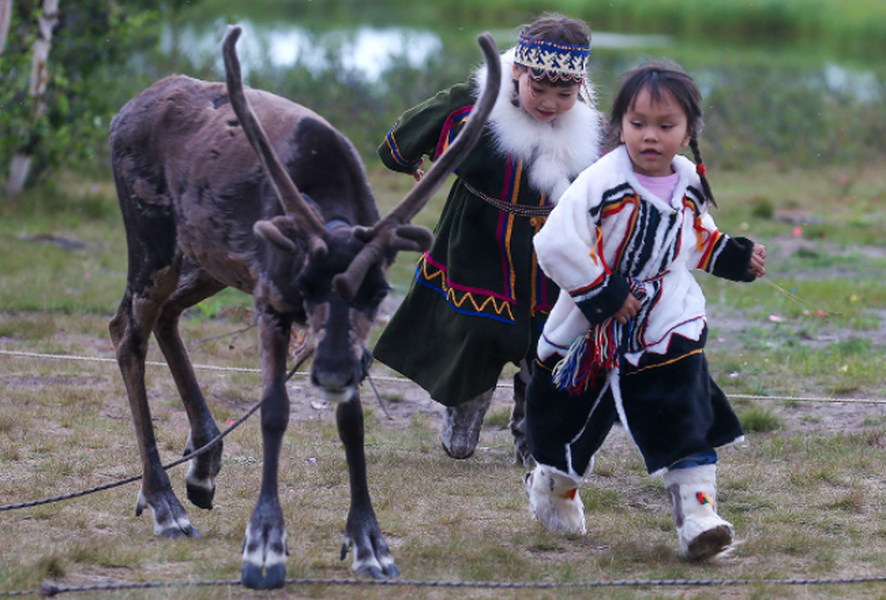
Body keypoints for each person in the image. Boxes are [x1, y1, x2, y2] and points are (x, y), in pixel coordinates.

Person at [523, 60, 766, 560]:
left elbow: (694, 239)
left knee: (685, 412)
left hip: (665, 322)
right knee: (567, 425)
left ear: (688, 130)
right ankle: (554, 486)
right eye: (637, 124)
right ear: (620, 127)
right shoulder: (599, 183)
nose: (650, 137)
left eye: (665, 125)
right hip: (590, 329)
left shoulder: (688, 184)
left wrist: (734, 257)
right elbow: (554, 243)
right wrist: (603, 293)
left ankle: (699, 519)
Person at [372, 14, 603, 463]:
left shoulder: (590, 128)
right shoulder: (474, 105)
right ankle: (466, 407)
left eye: (565, 94)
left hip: (552, 247)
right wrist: (412, 161)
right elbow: (396, 144)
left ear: (580, 88)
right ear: (517, 71)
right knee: (477, 329)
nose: (551, 103)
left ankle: (533, 436)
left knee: (549, 339)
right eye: (540, 89)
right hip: (479, 237)